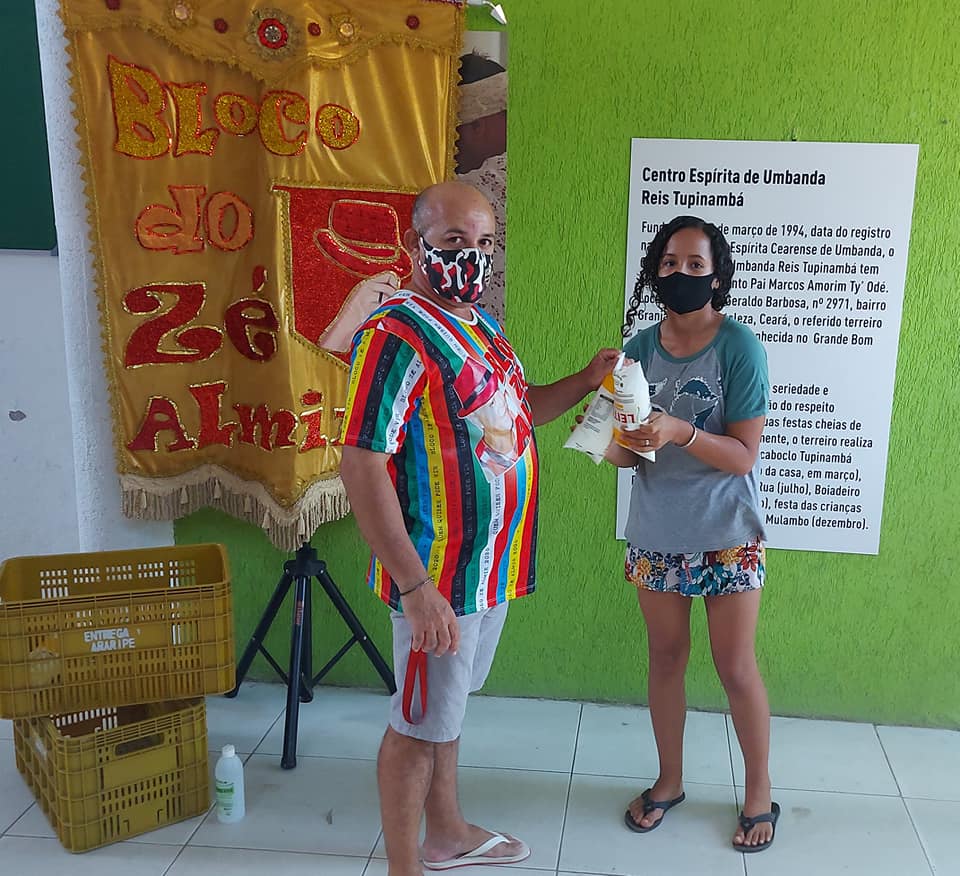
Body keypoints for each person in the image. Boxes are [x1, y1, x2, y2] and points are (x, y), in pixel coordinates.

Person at [339, 180, 618, 876]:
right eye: (454, 241)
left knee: (446, 711)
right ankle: (405, 866)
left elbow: (516, 416)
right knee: (415, 725)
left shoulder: (480, 327)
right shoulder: (395, 337)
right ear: (415, 245)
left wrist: (585, 380)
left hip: (486, 571)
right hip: (437, 576)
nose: (472, 256)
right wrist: (416, 589)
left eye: (484, 242)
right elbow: (361, 464)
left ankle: (447, 832)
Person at [607, 215, 779, 852]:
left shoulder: (740, 347)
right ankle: (669, 781)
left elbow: (743, 456)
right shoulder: (637, 350)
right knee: (665, 659)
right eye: (670, 263)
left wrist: (680, 430)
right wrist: (612, 442)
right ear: (655, 271)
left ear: (717, 276)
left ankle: (758, 791)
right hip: (656, 533)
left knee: (735, 667)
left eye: (695, 265)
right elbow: (627, 455)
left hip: (727, 532)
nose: (681, 274)